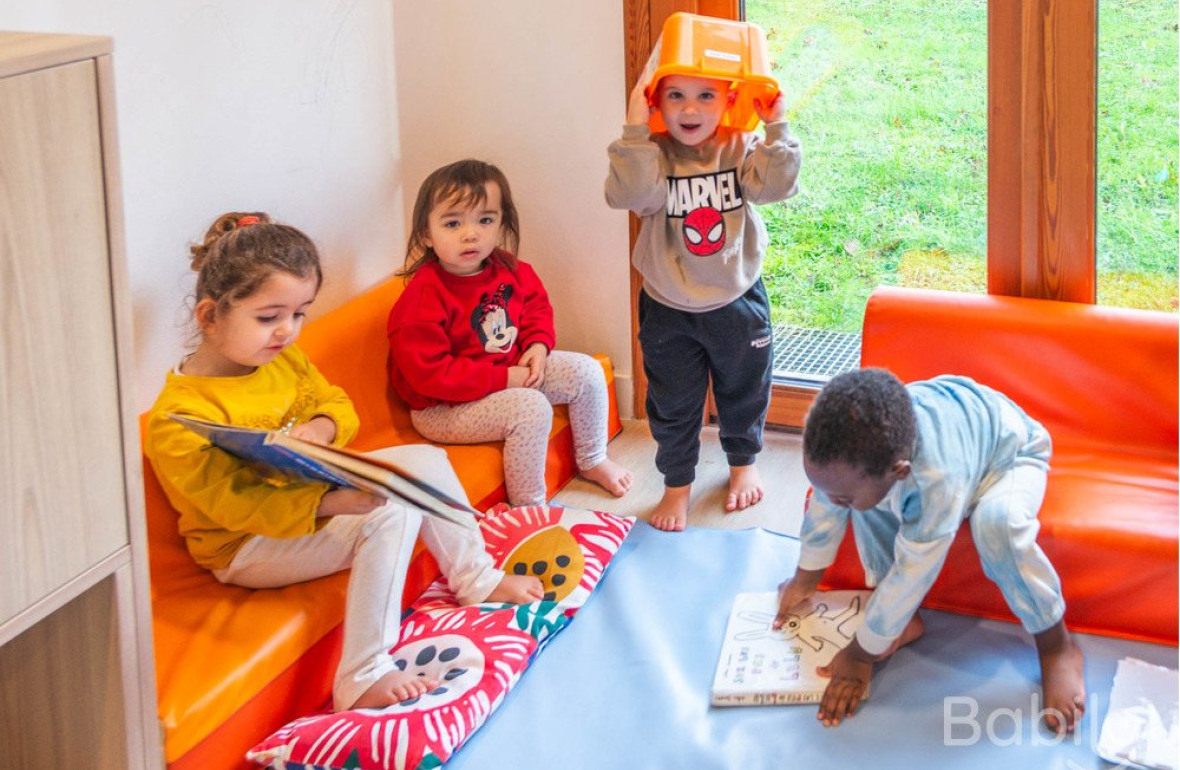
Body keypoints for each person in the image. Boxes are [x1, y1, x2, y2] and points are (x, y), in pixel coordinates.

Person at [145, 211, 543, 713]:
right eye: (269, 318)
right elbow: (231, 507)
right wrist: (333, 503)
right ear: (209, 316)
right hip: (245, 547)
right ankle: (362, 675)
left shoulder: (280, 357)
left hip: (309, 504)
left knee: (422, 460)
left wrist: (320, 430)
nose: (287, 332)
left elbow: (336, 404)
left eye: (299, 314)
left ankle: (476, 578)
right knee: (391, 512)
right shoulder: (181, 416)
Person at [774, 368, 1086, 733]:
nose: (832, 500)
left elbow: (914, 571)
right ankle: (900, 622)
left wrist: (862, 652)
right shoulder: (859, 454)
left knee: (997, 526)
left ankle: (1056, 643)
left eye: (840, 495)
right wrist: (804, 580)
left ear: (899, 471)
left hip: (1008, 455)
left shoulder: (933, 480)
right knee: (863, 505)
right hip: (946, 448)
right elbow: (826, 509)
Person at [604, 70, 801, 531]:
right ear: (656, 102)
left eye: (704, 96)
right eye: (675, 96)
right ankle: (676, 484)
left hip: (736, 299)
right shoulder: (651, 154)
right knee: (672, 403)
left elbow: (776, 187)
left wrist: (777, 128)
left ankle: (742, 464)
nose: (689, 109)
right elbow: (627, 195)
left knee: (744, 391)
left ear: (728, 99)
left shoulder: (738, 146)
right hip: (669, 306)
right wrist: (636, 128)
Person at [388, 159, 632, 508]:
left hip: (506, 372)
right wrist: (505, 378)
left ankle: (593, 459)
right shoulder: (422, 297)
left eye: (485, 220)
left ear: (501, 223)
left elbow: (536, 309)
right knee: (531, 408)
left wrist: (537, 344)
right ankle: (528, 506)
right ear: (427, 234)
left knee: (586, 371)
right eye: (453, 223)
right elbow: (431, 376)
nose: (470, 234)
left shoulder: (511, 269)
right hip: (442, 408)